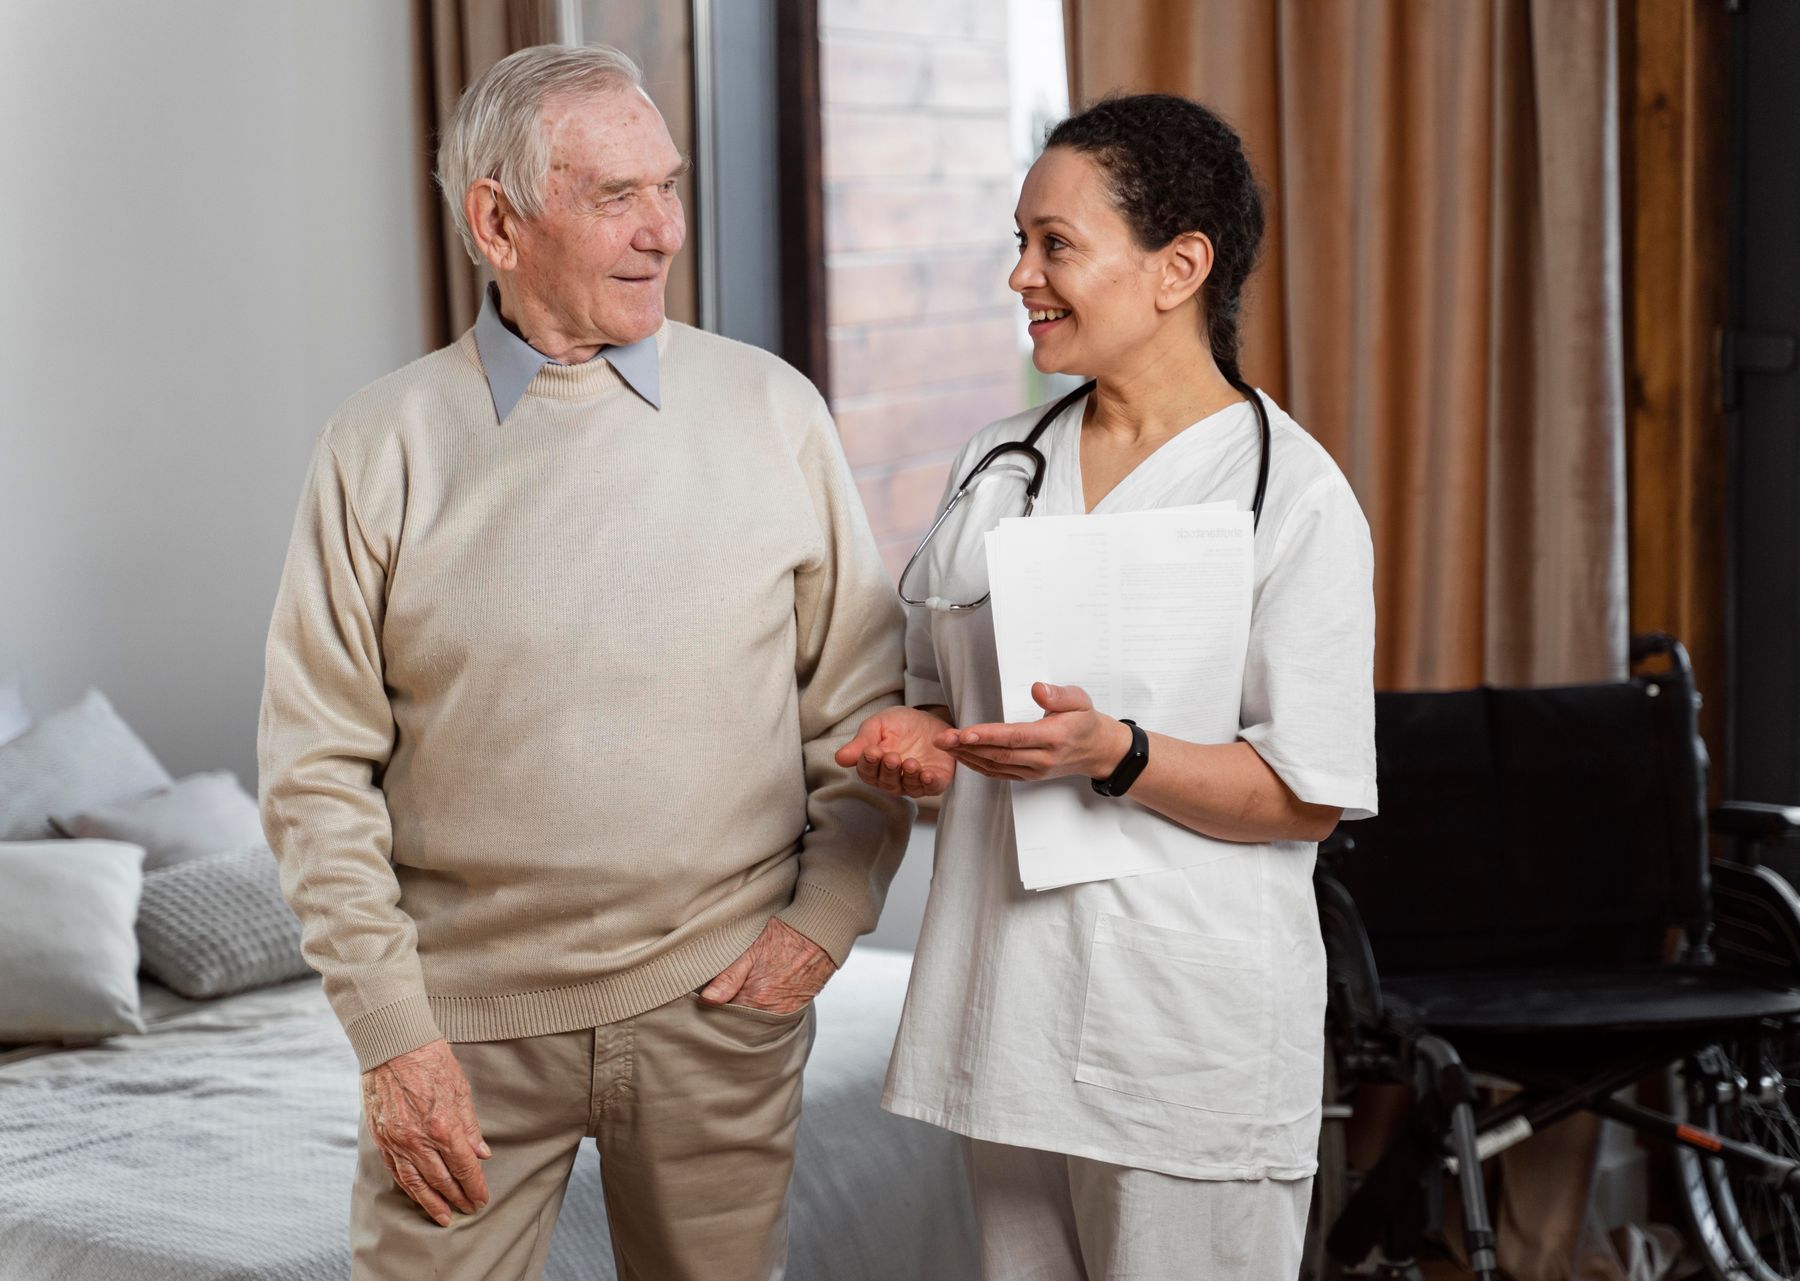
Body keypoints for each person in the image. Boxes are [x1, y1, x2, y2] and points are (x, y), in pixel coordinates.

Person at [258, 43, 910, 1281]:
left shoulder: (775, 411)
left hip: (720, 1007)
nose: (664, 231)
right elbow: (314, 779)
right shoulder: (379, 445)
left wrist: (821, 927)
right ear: (498, 222)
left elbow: (865, 714)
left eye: (668, 187)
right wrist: (394, 1040)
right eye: (617, 198)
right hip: (463, 1032)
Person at [836, 93, 1377, 1280]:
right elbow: (942, 693)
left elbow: (1309, 794)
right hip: (1009, 1012)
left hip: (1183, 1039)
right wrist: (922, 739)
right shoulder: (997, 461)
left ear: (1181, 265)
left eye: (1055, 245)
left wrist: (1118, 753)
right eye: (1018, 242)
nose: (1020, 274)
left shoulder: (1290, 497)